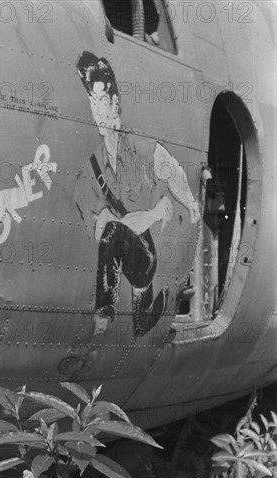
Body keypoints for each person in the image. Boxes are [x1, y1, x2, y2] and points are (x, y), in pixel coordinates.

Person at [70, 51, 199, 370]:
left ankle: (114, 317)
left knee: (118, 230)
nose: (101, 110)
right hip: (122, 251)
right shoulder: (91, 171)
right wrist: (139, 216)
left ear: (116, 103)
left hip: (146, 256)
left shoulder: (140, 149)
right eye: (94, 102)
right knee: (114, 230)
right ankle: (107, 321)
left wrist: (188, 205)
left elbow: (170, 170)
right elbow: (100, 228)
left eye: (106, 100)